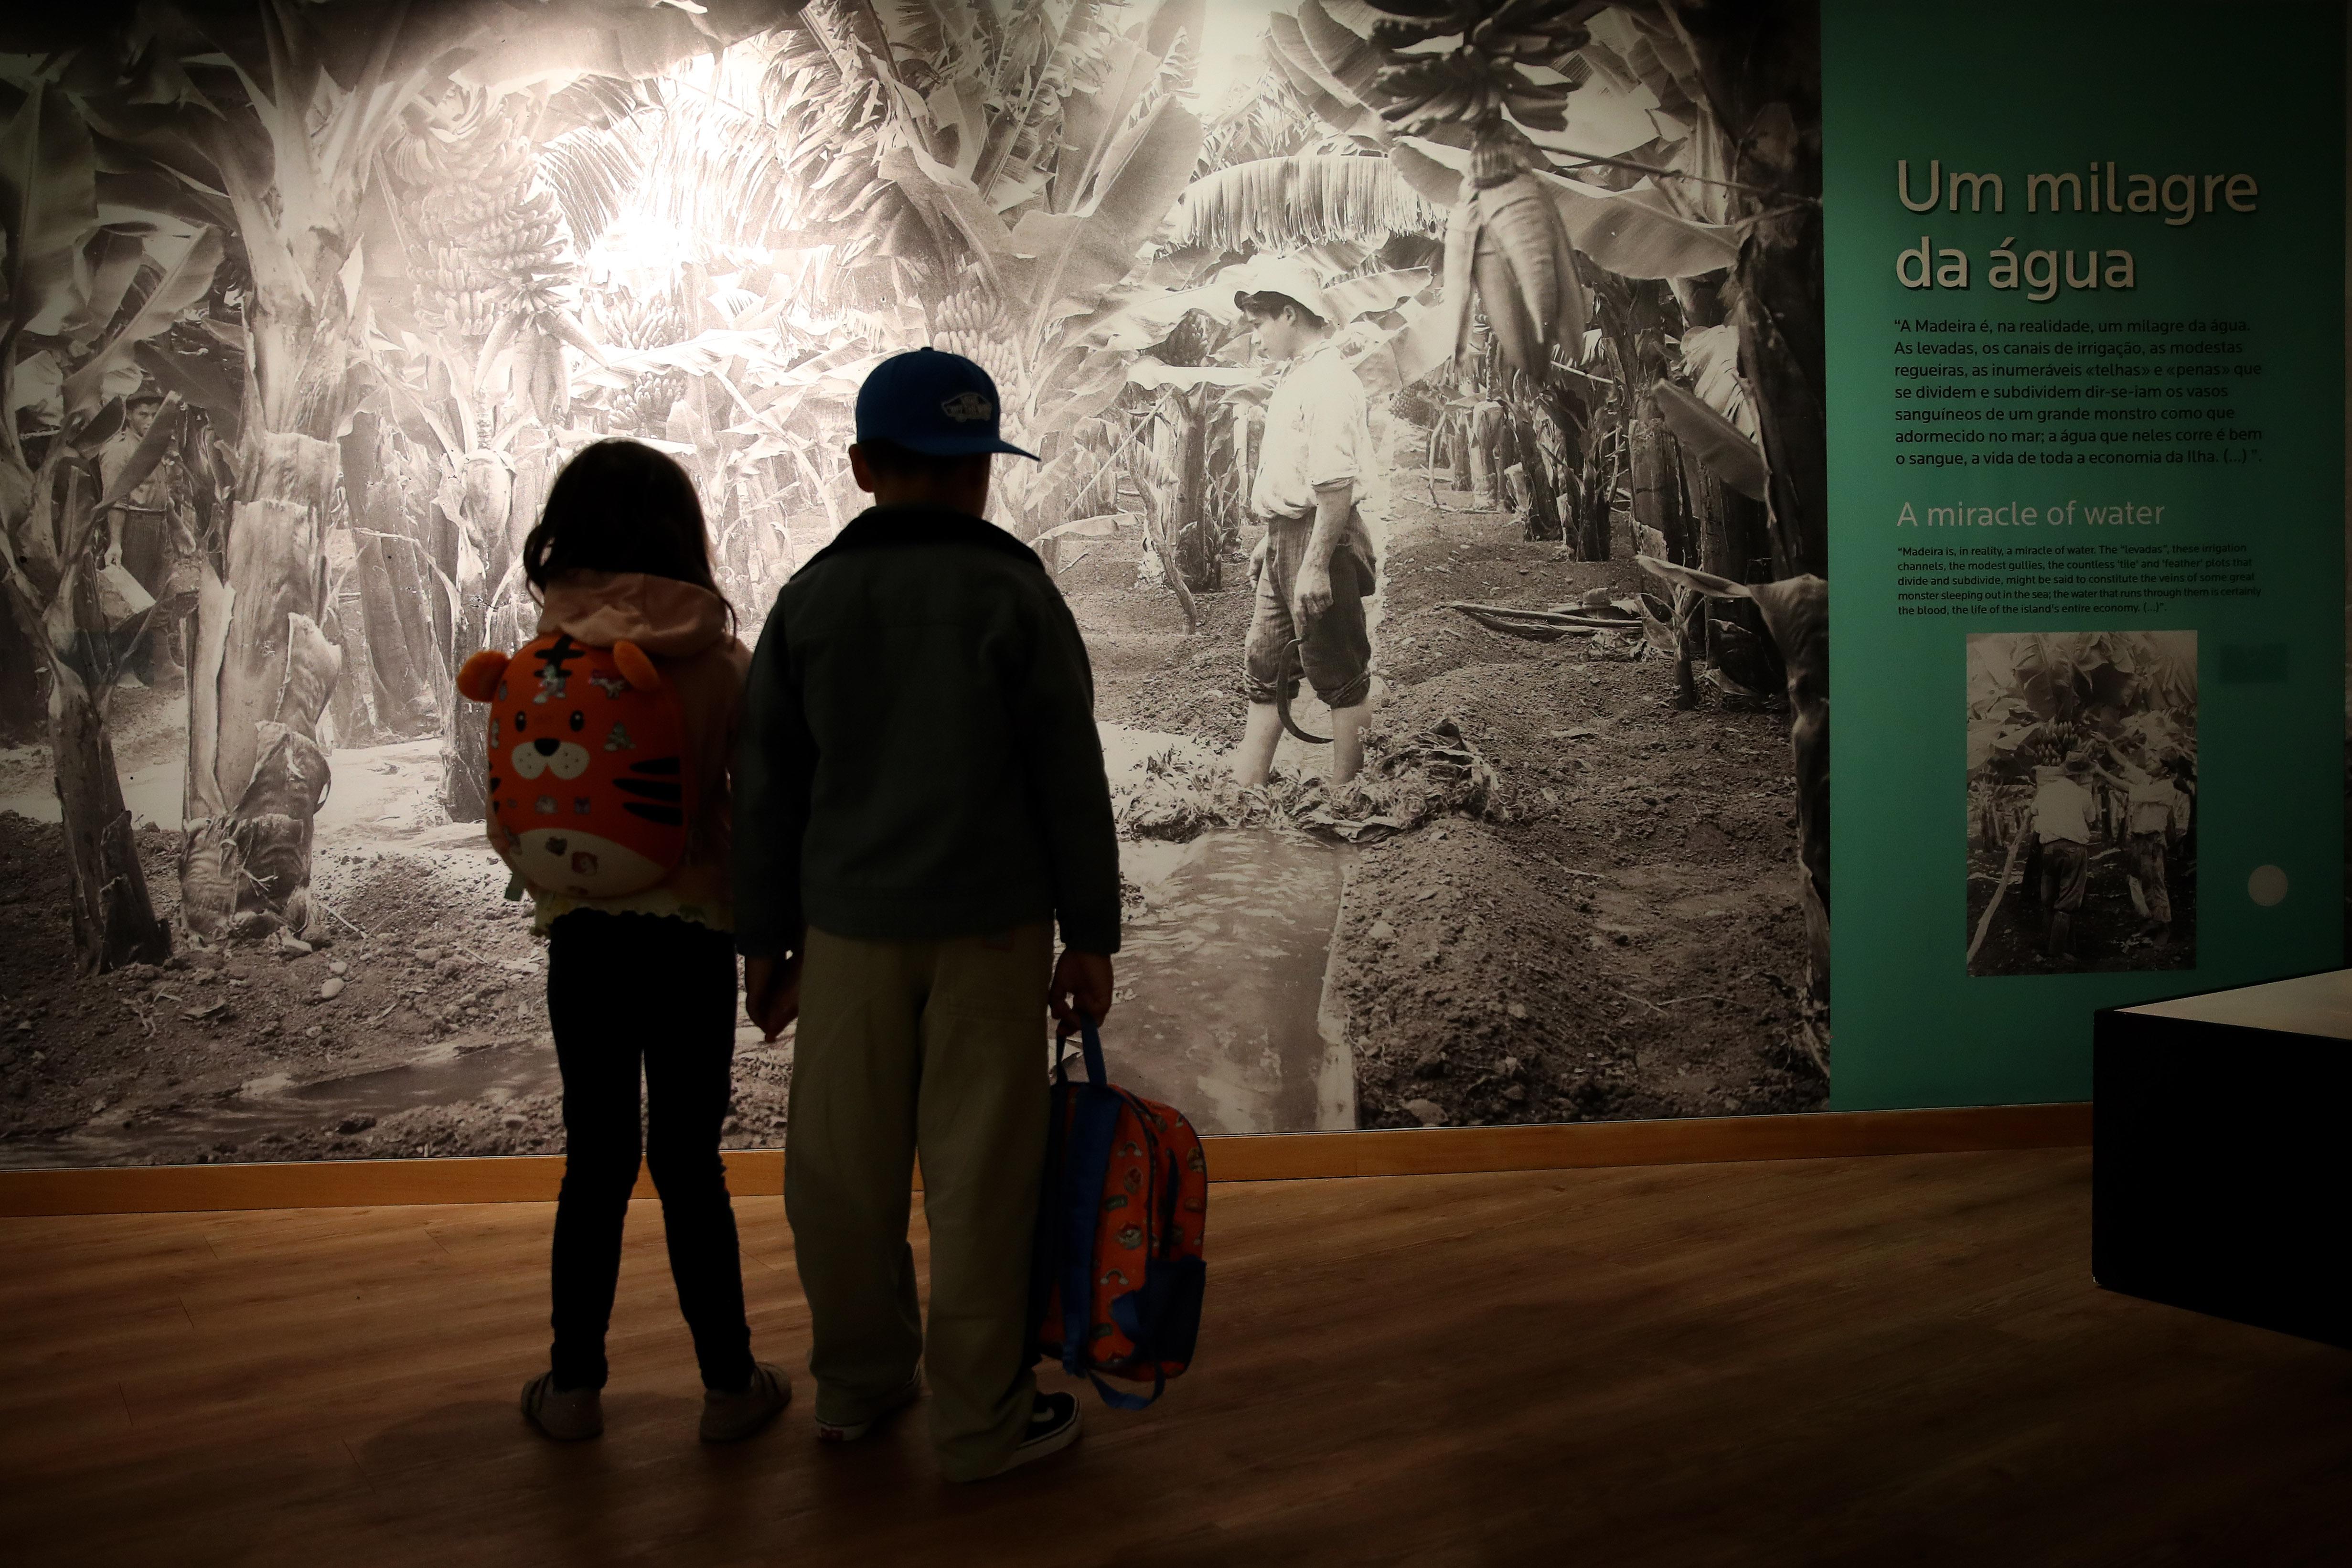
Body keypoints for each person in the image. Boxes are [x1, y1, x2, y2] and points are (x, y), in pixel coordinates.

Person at [732, 348, 1121, 1482]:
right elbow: (1068, 778)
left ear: (861, 468)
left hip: (845, 939)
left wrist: (764, 947)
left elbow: (766, 792)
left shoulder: (809, 600)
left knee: (840, 1180)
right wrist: (1088, 937)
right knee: (982, 1182)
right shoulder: (1016, 594)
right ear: (982, 474)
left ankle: (856, 1389)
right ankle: (979, 1423)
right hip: (994, 938)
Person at [489, 439, 785, 1445]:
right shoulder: (721, 660)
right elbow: (753, 817)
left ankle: (574, 1390)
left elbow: (513, 809)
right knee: (691, 1164)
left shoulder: (543, 653)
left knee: (597, 1161)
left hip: (585, 939)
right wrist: (764, 945)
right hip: (692, 936)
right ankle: (729, 1388)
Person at [1229, 257, 1381, 790]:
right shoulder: (1298, 376)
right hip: (1287, 536)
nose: (1255, 337)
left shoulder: (1329, 382)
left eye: (1258, 323)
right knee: (1266, 662)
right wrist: (1270, 543)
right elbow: (1291, 473)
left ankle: (1347, 797)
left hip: (1323, 536)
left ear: (1289, 314)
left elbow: (1334, 485)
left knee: (1337, 668)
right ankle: (1245, 792)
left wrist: (1314, 565)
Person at [2031, 755, 2100, 959]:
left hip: (2050, 850)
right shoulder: (2083, 794)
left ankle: (2050, 947)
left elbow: (2034, 810)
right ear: (2079, 776)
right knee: (2066, 904)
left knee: (2049, 901)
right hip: (2073, 851)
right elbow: (2092, 818)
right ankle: (2056, 954)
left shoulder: (2046, 791)